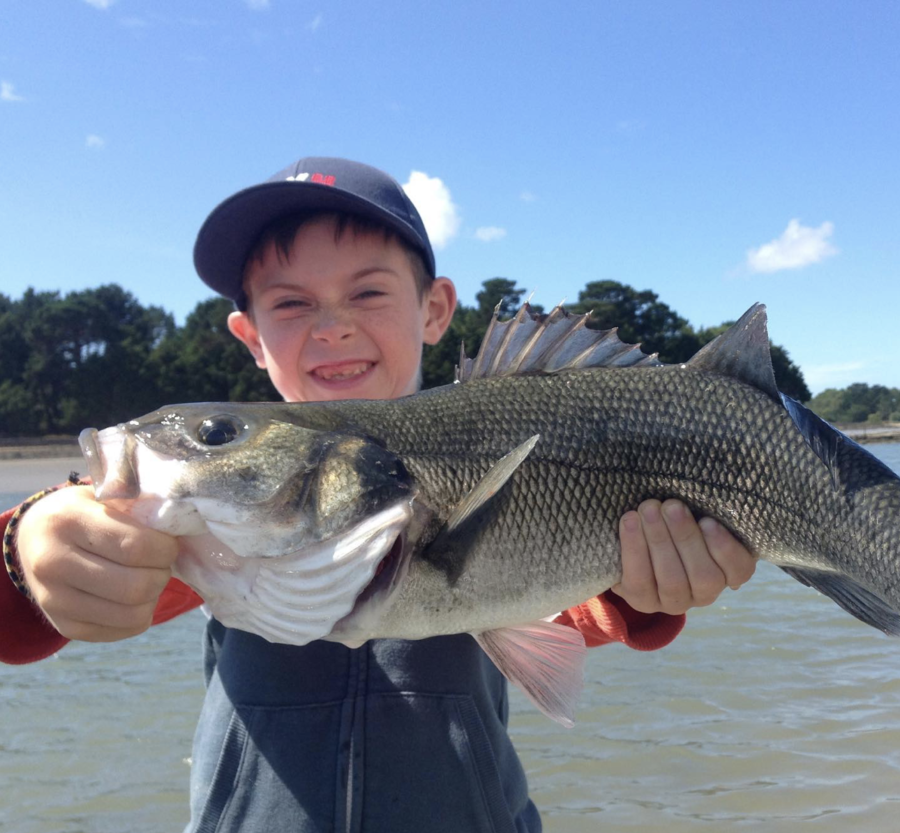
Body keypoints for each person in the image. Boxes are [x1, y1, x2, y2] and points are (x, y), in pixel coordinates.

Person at [1, 156, 756, 831]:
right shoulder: (215, 507)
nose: (332, 326)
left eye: (367, 291)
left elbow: (573, 614)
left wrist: (647, 591)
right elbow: (60, 582)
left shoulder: (512, 431)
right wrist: (31, 545)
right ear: (251, 337)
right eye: (291, 304)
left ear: (433, 309)